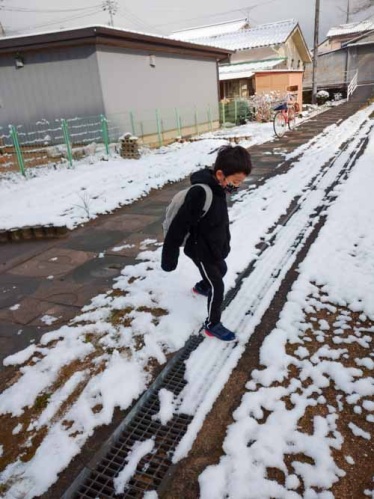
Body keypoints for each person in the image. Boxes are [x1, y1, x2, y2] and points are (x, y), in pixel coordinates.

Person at [161, 145, 252, 342]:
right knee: (217, 286)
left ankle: (202, 287)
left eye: (240, 182)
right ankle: (212, 325)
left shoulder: (219, 189)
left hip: (213, 248)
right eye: (235, 181)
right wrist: (169, 256)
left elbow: (217, 222)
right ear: (220, 174)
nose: (237, 186)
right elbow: (179, 226)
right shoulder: (201, 193)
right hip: (201, 250)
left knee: (223, 269)